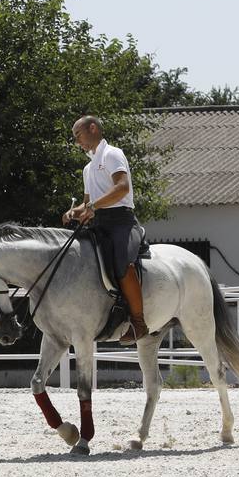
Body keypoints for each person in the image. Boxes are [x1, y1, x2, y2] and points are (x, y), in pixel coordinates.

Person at [61, 115, 148, 344]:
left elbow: (122, 188)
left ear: (93, 128)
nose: (77, 142)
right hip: (99, 223)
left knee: (122, 264)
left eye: (78, 135)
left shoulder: (112, 154)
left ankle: (138, 322)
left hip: (121, 221)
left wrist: (91, 206)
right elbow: (87, 202)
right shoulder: (88, 169)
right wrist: (75, 212)